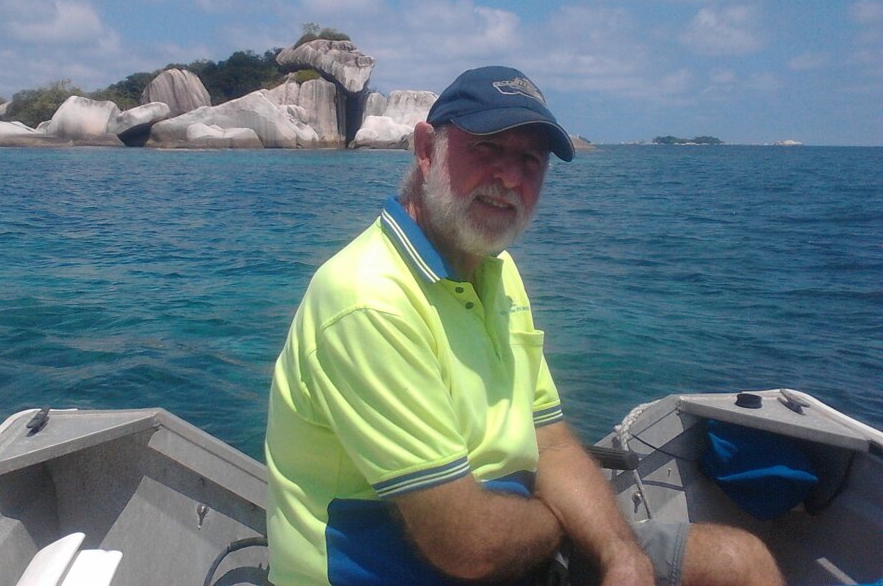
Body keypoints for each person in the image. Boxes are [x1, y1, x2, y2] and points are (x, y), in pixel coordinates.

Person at [265, 66, 784, 586]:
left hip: (512, 548)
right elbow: (466, 546)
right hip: (401, 570)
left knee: (742, 564)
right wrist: (563, 521)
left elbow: (550, 439)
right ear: (426, 151)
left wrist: (620, 554)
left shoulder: (495, 267)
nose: (510, 178)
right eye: (488, 149)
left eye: (530, 160)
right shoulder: (368, 299)